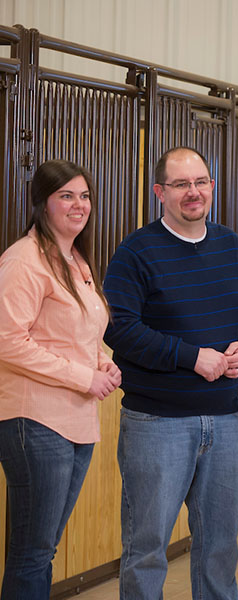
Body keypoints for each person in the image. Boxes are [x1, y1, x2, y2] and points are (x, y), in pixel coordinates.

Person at [103, 147, 238, 600]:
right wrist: (191, 357)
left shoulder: (230, 244)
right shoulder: (136, 252)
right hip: (157, 424)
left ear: (212, 187)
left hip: (225, 421)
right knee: (147, 548)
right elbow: (120, 329)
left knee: (220, 548)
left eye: (200, 182)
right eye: (180, 184)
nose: (193, 193)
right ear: (160, 192)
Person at [0, 160, 121, 599]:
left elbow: (75, 333)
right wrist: (83, 376)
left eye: (84, 195)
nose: (79, 204)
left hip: (75, 420)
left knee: (43, 548)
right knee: (33, 552)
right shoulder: (23, 261)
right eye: (66, 196)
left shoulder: (75, 259)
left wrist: (102, 361)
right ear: (41, 204)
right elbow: (8, 341)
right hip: (35, 421)